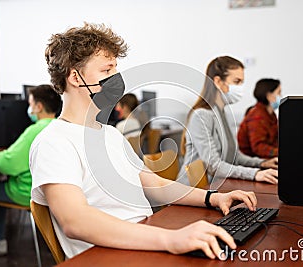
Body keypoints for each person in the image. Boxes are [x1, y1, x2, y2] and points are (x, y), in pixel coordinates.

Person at [29, 23, 258, 261]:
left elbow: (154, 184)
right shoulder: (53, 142)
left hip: (142, 240)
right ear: (75, 77)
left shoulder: (110, 134)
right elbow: (76, 221)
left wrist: (212, 198)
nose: (116, 78)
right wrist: (170, 239)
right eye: (107, 70)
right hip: (108, 255)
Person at [0, 84, 61, 266]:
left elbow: (8, 163)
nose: (28, 109)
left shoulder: (35, 130)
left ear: (38, 107)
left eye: (30, 104)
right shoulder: (61, 127)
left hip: (27, 192)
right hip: (52, 193)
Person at [178, 56, 278, 187]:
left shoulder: (222, 113)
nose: (240, 88)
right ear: (218, 82)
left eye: (242, 82)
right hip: (195, 190)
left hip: (216, 187)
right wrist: (255, 174)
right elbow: (214, 165)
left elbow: (235, 157)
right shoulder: (202, 115)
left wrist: (261, 163)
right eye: (237, 82)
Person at [238, 79, 281, 158]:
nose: (280, 96)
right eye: (279, 93)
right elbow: (258, 147)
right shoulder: (257, 116)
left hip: (264, 159)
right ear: (269, 96)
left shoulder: (270, 115)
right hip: (252, 162)